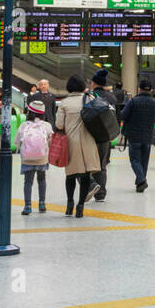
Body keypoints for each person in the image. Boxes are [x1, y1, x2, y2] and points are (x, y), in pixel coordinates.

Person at [56, 75, 101, 218]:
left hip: (71, 143)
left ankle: (70, 204)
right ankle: (80, 205)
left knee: (70, 174)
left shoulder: (64, 103)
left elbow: (59, 125)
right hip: (88, 141)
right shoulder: (90, 99)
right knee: (86, 174)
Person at [120, 79, 155, 192]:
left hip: (134, 135)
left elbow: (123, 116)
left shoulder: (133, 101)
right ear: (151, 90)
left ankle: (141, 180)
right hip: (148, 135)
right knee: (144, 161)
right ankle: (140, 184)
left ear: (139, 89)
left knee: (135, 160)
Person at [17, 100, 53, 215]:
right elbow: (50, 141)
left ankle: (27, 206)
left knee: (28, 181)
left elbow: (17, 142)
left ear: (29, 112)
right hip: (42, 158)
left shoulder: (24, 125)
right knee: (41, 179)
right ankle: (42, 204)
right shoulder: (46, 125)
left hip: (27, 159)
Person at [89, 69, 115, 200]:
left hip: (92, 135)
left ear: (94, 83)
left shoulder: (90, 96)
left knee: (89, 164)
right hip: (106, 135)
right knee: (102, 165)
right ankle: (101, 193)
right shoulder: (111, 97)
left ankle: (92, 187)